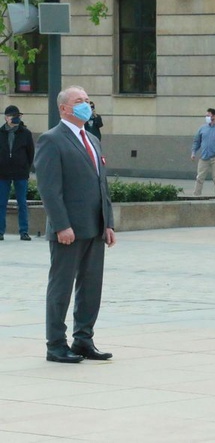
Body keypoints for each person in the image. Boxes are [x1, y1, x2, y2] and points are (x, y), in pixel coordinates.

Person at [34, 85, 116, 363]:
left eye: (88, 101)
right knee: (61, 288)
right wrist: (60, 225)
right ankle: (56, 344)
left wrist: (108, 223)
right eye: (79, 101)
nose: (86, 105)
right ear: (64, 109)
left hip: (95, 227)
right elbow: (49, 189)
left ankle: (83, 340)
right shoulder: (51, 140)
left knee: (91, 286)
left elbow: (101, 184)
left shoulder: (92, 139)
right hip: (68, 230)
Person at [0, 105, 35, 241]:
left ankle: (24, 231)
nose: (16, 118)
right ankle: (1, 231)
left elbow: (30, 153)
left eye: (18, 116)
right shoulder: (1, 132)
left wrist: (25, 167)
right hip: (2, 173)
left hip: (20, 172)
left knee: (22, 202)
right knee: (2, 202)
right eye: (13, 116)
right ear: (6, 117)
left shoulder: (25, 133)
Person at [191, 108, 215, 198]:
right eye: (206, 115)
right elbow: (197, 141)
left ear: (214, 116)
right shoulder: (202, 128)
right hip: (204, 157)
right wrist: (193, 152)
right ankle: (196, 195)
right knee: (200, 178)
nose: (207, 117)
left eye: (208, 115)